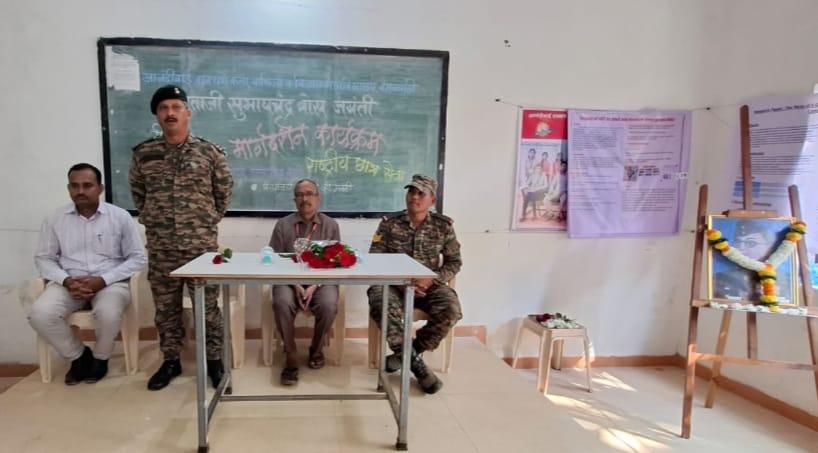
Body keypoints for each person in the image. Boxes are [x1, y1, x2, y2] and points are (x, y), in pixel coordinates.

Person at [129, 85, 234, 391]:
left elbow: (223, 193)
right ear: (157, 116)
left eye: (176, 107)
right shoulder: (144, 154)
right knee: (166, 310)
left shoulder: (209, 152)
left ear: (188, 113)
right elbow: (139, 195)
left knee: (208, 308)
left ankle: (214, 361)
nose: (170, 113)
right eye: (164, 108)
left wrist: (203, 221)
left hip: (200, 248)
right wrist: (156, 219)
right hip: (162, 248)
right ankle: (171, 361)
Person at [29, 163, 146, 385]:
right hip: (68, 282)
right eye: (74, 186)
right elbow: (44, 258)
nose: (80, 191)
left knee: (108, 313)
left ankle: (100, 359)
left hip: (110, 282)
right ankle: (79, 356)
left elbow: (137, 258)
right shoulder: (55, 218)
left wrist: (103, 280)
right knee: (39, 314)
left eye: (87, 185)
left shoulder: (119, 217)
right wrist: (66, 280)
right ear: (68, 188)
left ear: (100, 188)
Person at [367, 174, 462, 394]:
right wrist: (402, 282)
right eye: (411, 191)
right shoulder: (389, 224)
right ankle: (419, 368)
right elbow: (375, 259)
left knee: (451, 309)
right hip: (393, 285)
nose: (414, 197)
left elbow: (454, 262)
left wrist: (432, 279)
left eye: (421, 193)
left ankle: (407, 355)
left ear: (432, 200)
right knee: (380, 302)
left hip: (429, 285)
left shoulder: (443, 226)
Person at [268, 179, 341, 385]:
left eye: (309, 194)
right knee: (282, 302)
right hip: (289, 281)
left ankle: (316, 350)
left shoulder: (330, 225)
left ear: (318, 198)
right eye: (300, 195)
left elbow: (334, 261)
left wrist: (315, 285)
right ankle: (291, 357)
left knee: (329, 304)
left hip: (321, 281)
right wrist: (295, 284)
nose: (305, 198)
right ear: (294, 200)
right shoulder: (283, 225)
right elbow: (275, 260)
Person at [712, 220, 777, 301]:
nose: (741, 248)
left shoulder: (787, 281)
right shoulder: (720, 279)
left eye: (751, 243)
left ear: (768, 248)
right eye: (738, 242)